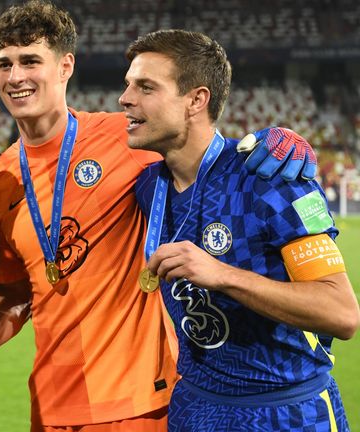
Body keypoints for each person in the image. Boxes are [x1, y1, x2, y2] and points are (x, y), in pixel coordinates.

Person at [0, 1, 322, 431]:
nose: (15, 76)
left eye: (30, 61)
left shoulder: (126, 137)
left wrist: (279, 138)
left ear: (65, 66)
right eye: (4, 64)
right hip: (51, 406)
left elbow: (202, 148)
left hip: (142, 403)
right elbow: (16, 292)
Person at [122, 29, 359, 431]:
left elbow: (341, 313)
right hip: (194, 406)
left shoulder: (272, 175)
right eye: (128, 85)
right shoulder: (148, 186)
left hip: (286, 410)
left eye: (146, 87)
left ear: (197, 100)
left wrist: (223, 275)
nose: (125, 98)